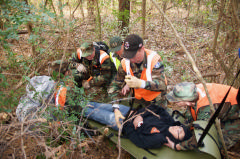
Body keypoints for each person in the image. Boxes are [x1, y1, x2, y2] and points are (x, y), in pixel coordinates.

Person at [108, 34, 167, 128]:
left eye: (133, 55)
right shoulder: (125, 62)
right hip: (138, 99)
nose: (131, 59)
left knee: (157, 126)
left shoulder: (154, 59)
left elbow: (162, 85)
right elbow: (114, 85)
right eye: (128, 56)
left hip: (155, 100)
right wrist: (116, 108)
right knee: (132, 124)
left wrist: (141, 83)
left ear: (142, 48)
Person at [84, 103, 193, 150]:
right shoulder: (168, 120)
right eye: (180, 128)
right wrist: (139, 115)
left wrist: (130, 124)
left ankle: (72, 107)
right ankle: (78, 100)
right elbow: (154, 108)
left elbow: (137, 140)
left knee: (93, 113)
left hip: (123, 122)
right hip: (129, 110)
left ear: (176, 139)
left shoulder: (159, 138)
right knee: (97, 105)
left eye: (179, 133)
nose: (177, 129)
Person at [166, 82, 240, 149]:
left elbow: (201, 137)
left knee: (216, 141)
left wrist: (178, 146)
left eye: (177, 101)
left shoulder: (205, 110)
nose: (175, 102)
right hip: (224, 107)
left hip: (237, 113)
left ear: (188, 102)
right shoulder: (192, 91)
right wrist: (186, 126)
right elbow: (191, 113)